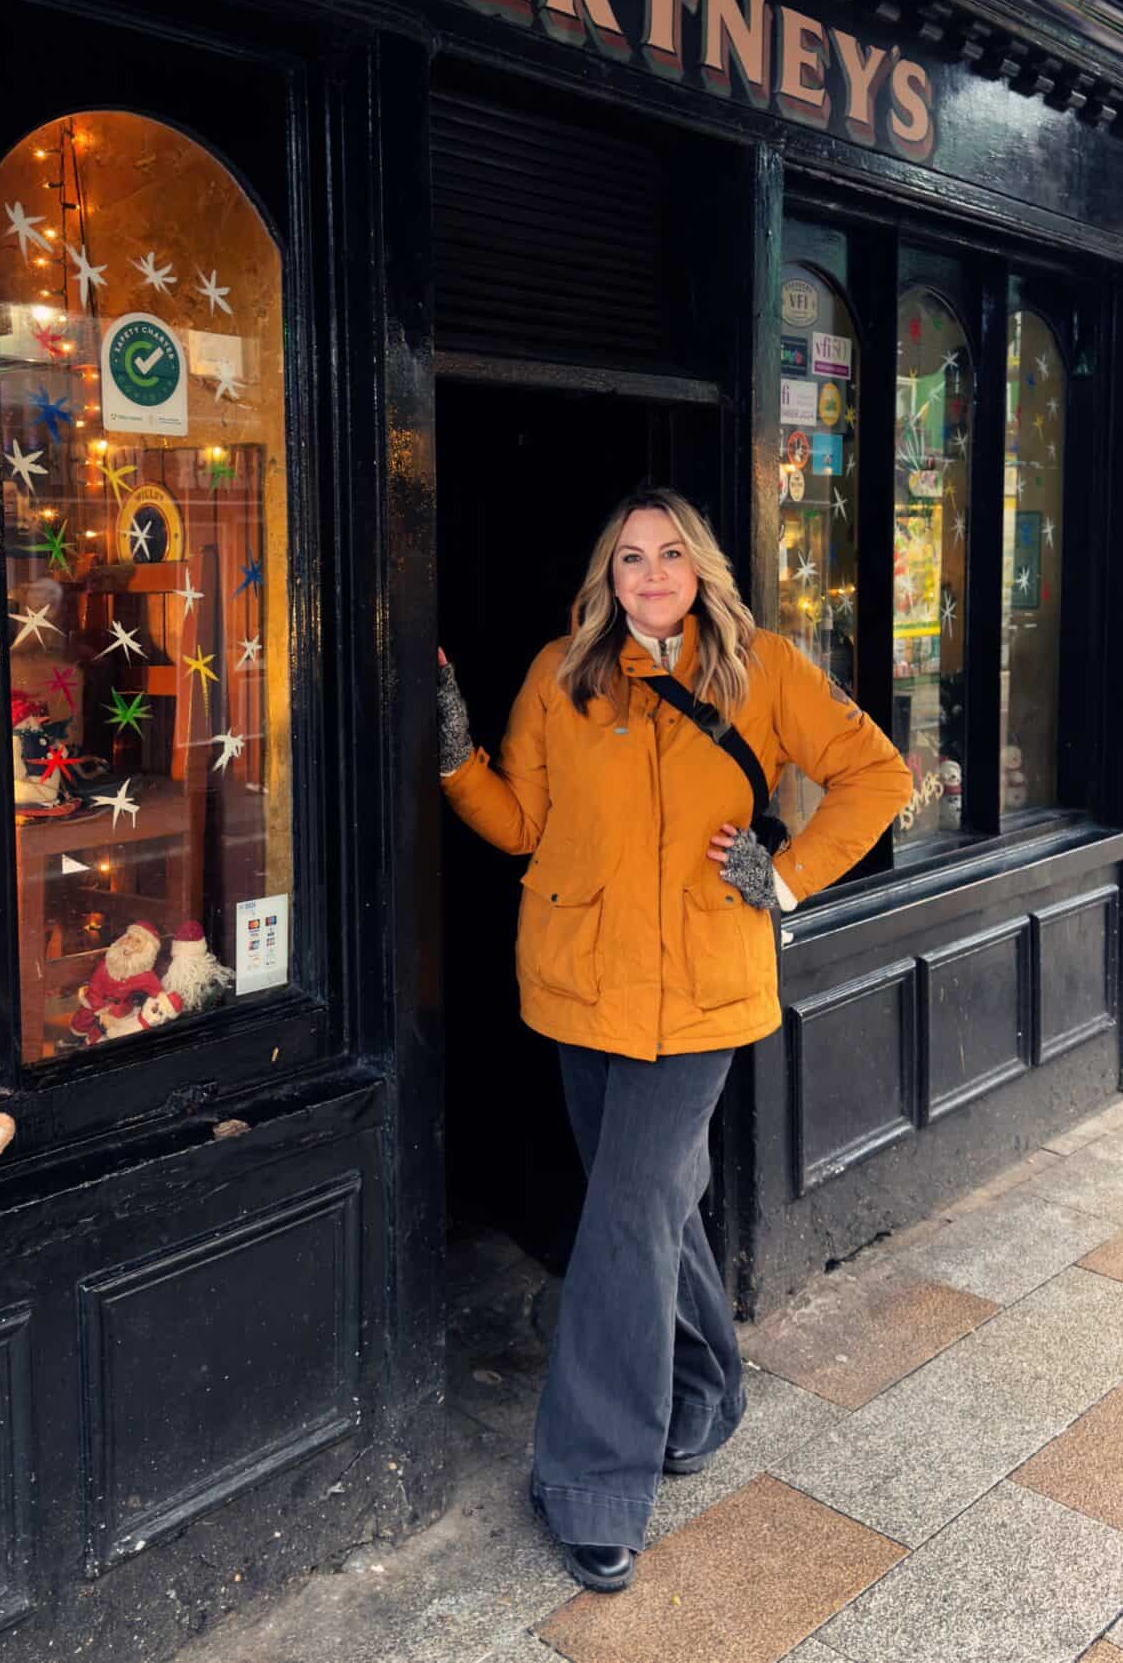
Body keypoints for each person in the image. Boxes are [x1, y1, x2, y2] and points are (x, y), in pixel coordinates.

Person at [437, 487, 912, 1593]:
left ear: (700, 567)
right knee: (646, 1207)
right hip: (581, 989)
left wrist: (785, 876)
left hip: (700, 996)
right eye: (630, 558)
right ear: (608, 575)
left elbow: (878, 772)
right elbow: (523, 824)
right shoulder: (564, 674)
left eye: (670, 555)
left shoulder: (761, 670)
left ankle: (594, 1484)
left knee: (621, 1225)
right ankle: (708, 1384)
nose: (651, 575)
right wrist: (456, 754)